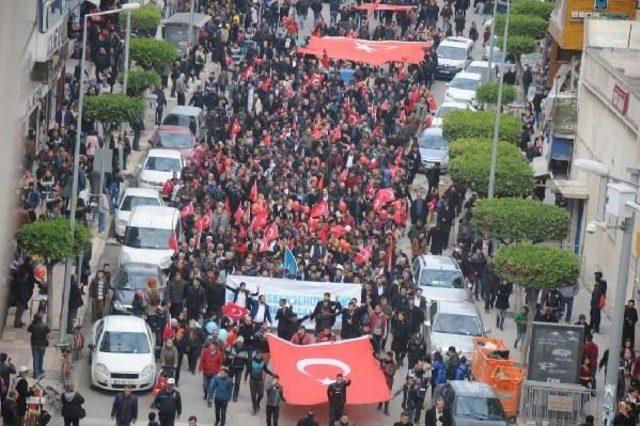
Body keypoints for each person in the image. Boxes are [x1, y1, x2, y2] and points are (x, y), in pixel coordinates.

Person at [27, 314, 49, 378]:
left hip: (34, 345)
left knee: (36, 359)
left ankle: (36, 373)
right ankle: (40, 370)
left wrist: (32, 323)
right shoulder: (44, 326)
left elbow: (28, 330)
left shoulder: (33, 325)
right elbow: (48, 331)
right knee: (41, 358)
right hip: (42, 345)